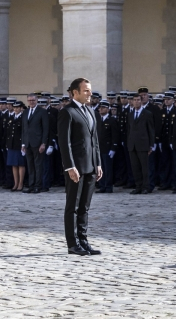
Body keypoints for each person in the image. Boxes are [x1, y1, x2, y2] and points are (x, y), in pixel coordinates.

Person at [57, 78, 103, 256]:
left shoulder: (90, 111)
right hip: (76, 168)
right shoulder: (67, 112)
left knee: (85, 207)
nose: (90, 94)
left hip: (91, 166)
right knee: (73, 206)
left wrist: (98, 163)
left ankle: (83, 241)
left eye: (90, 90)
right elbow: (64, 142)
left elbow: (95, 141)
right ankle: (72, 244)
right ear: (75, 92)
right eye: (86, 91)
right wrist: (70, 167)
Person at [127, 94, 155, 195]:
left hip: (143, 144)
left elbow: (150, 130)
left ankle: (146, 187)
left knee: (145, 168)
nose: (136, 102)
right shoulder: (130, 114)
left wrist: (151, 145)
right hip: (132, 144)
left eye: (138, 100)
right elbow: (129, 129)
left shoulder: (147, 113)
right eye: (134, 100)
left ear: (141, 101)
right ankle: (138, 186)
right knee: (135, 167)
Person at [21, 93, 49, 193]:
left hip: (38, 143)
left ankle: (38, 185)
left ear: (36, 100)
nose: (31, 102)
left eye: (33, 100)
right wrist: (23, 143)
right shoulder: (26, 112)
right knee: (30, 165)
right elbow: (24, 129)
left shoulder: (42, 112)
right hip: (28, 143)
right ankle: (31, 185)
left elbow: (45, 129)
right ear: (27, 101)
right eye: (29, 100)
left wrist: (43, 143)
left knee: (38, 165)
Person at [97, 100, 119, 193]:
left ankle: (109, 186)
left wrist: (113, 148)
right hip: (99, 148)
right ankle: (102, 186)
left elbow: (115, 135)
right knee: (100, 168)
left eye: (103, 108)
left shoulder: (112, 120)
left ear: (108, 109)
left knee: (108, 168)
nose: (101, 109)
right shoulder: (97, 120)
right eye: (100, 108)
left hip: (108, 148)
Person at [5, 101, 26, 191]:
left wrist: (24, 144)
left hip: (19, 144)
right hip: (12, 144)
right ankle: (15, 183)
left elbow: (24, 132)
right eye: (15, 107)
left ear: (21, 108)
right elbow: (8, 133)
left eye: (18, 107)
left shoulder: (23, 118)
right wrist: (7, 143)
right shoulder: (11, 118)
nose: (16, 109)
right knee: (13, 164)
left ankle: (21, 183)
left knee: (21, 164)